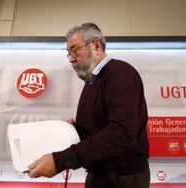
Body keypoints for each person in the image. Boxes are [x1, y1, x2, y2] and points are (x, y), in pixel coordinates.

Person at [28, 22, 150, 188]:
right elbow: (102, 127)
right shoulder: (92, 81)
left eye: (75, 50)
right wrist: (77, 129)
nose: (71, 59)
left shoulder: (120, 73)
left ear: (96, 45)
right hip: (101, 175)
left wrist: (61, 161)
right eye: (68, 53)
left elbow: (121, 134)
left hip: (121, 178)